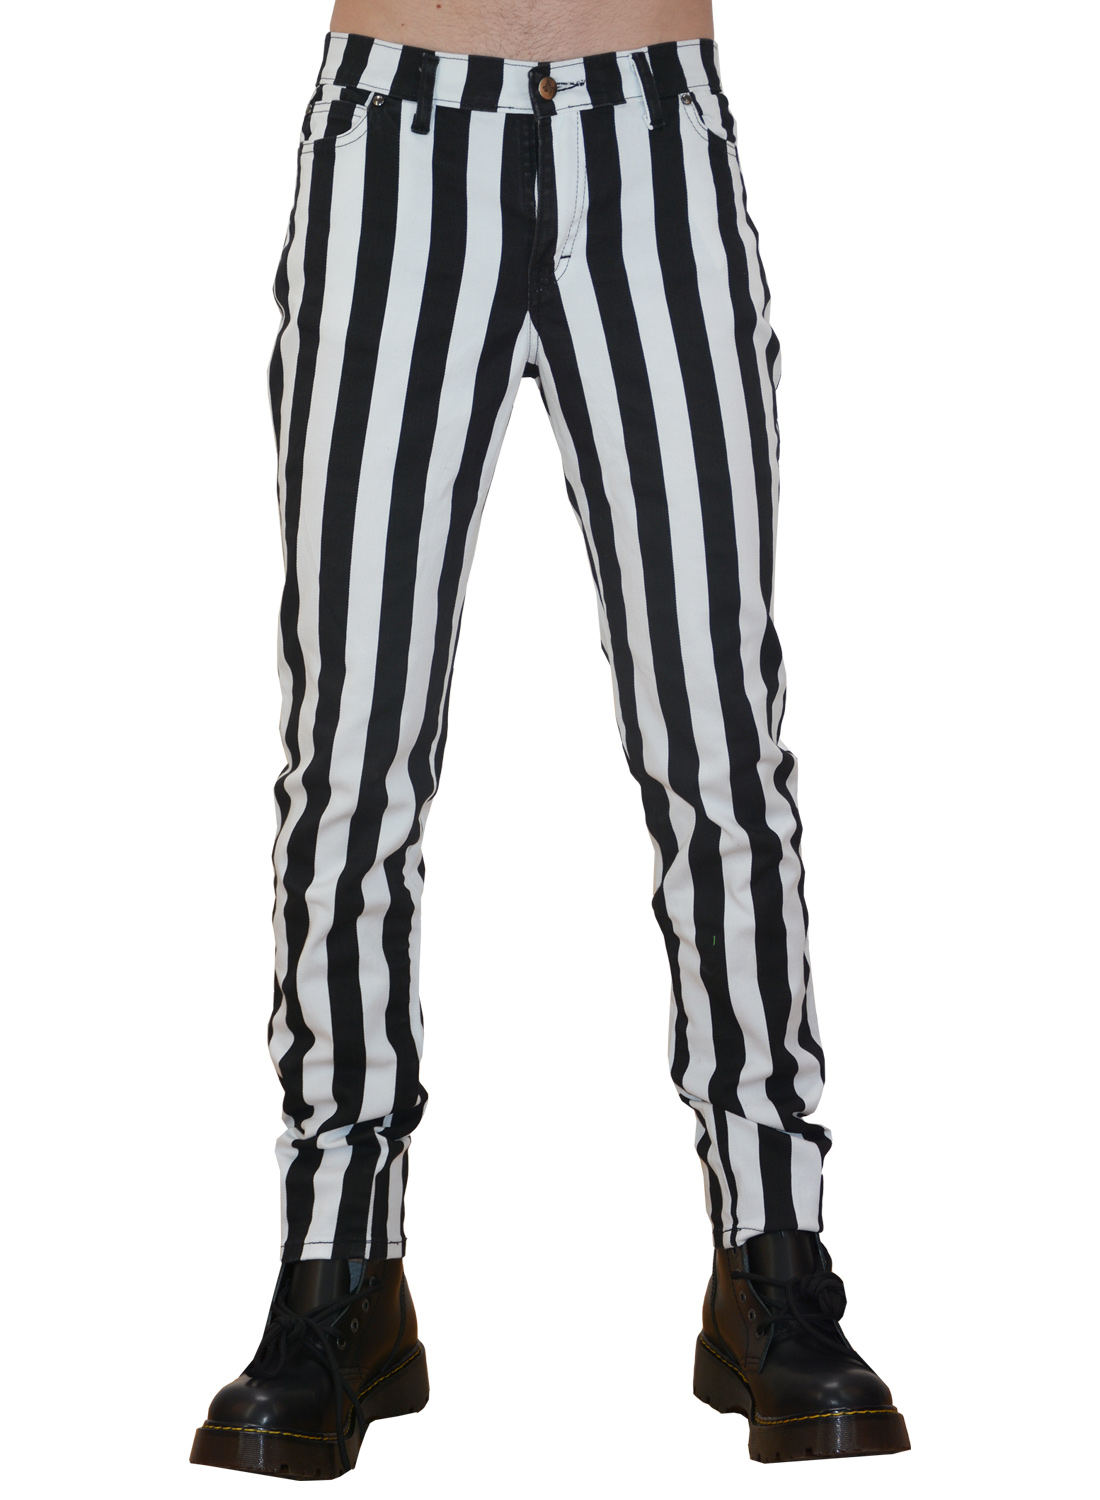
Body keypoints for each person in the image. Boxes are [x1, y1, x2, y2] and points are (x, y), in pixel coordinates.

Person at [190, 0, 909, 1477]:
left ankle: (772, 1255)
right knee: (351, 757)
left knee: (718, 741)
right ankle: (338, 1267)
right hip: (393, 143)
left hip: (655, 139)